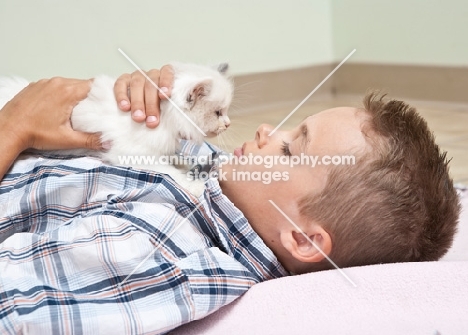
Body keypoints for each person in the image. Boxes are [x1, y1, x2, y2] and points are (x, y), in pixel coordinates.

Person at [0, 68, 460, 334]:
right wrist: (163, 106)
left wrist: (13, 126)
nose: (265, 130)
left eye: (289, 148)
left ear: (302, 238)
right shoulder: (227, 184)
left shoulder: (157, 251)